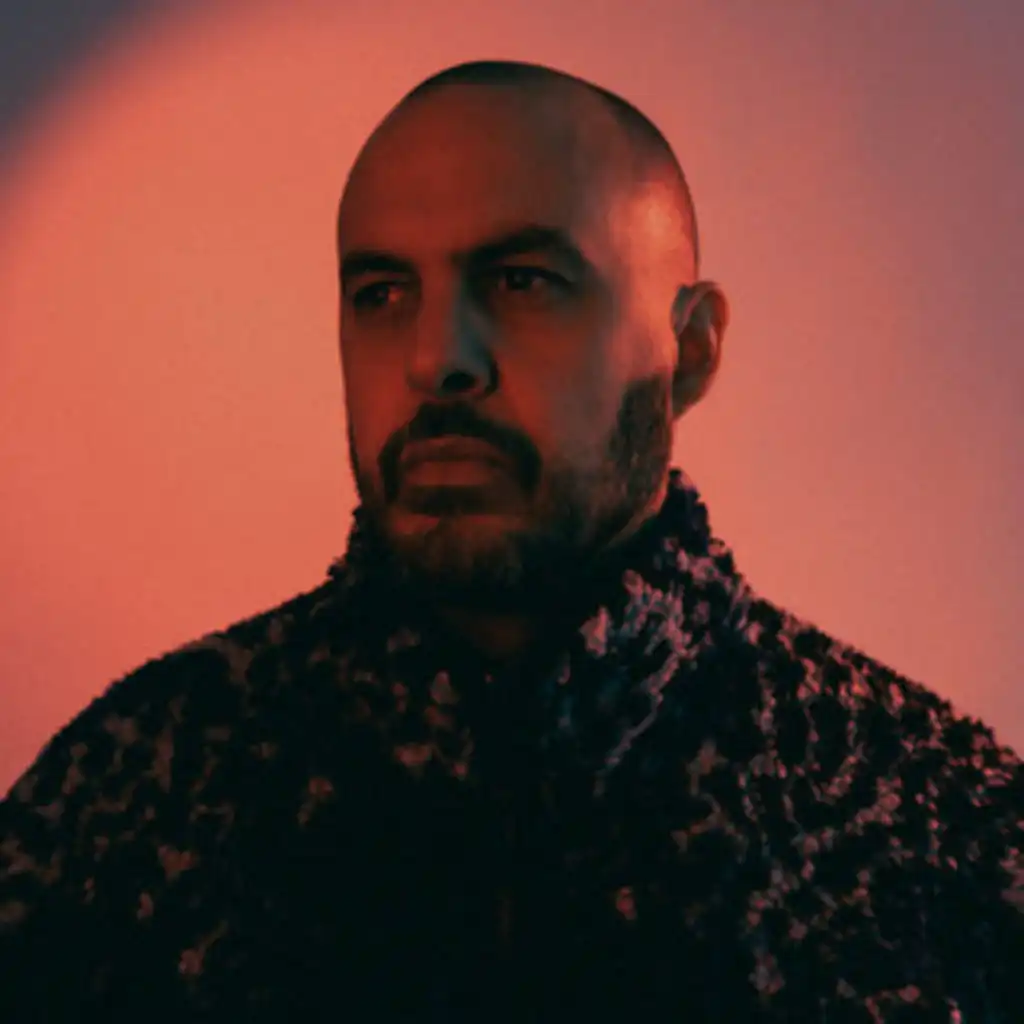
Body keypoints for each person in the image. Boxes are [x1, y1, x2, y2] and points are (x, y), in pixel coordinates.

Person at [2, 59, 1022, 1022]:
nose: (436, 357)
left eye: (522, 280)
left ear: (690, 350)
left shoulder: (941, 825)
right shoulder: (129, 799)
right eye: (381, 293)